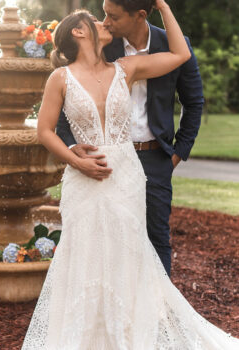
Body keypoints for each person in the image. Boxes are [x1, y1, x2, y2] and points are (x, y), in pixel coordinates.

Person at [21, 1, 239, 349]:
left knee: (132, 252)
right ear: (79, 32)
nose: (104, 21)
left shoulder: (125, 68)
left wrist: (163, 4)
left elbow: (181, 55)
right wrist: (74, 158)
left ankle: (136, 333)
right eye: (96, 19)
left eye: (109, 15)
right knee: (83, 254)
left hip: (128, 176)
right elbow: (45, 130)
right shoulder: (59, 78)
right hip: (83, 179)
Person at [56, 0, 204, 277]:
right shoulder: (101, 47)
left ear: (140, 15)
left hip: (155, 157)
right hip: (105, 159)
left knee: (156, 237)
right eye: (103, 14)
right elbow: (66, 108)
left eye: (112, 16)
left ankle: (158, 315)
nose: (105, 21)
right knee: (104, 240)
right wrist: (74, 149)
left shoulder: (172, 43)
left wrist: (174, 155)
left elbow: (193, 102)